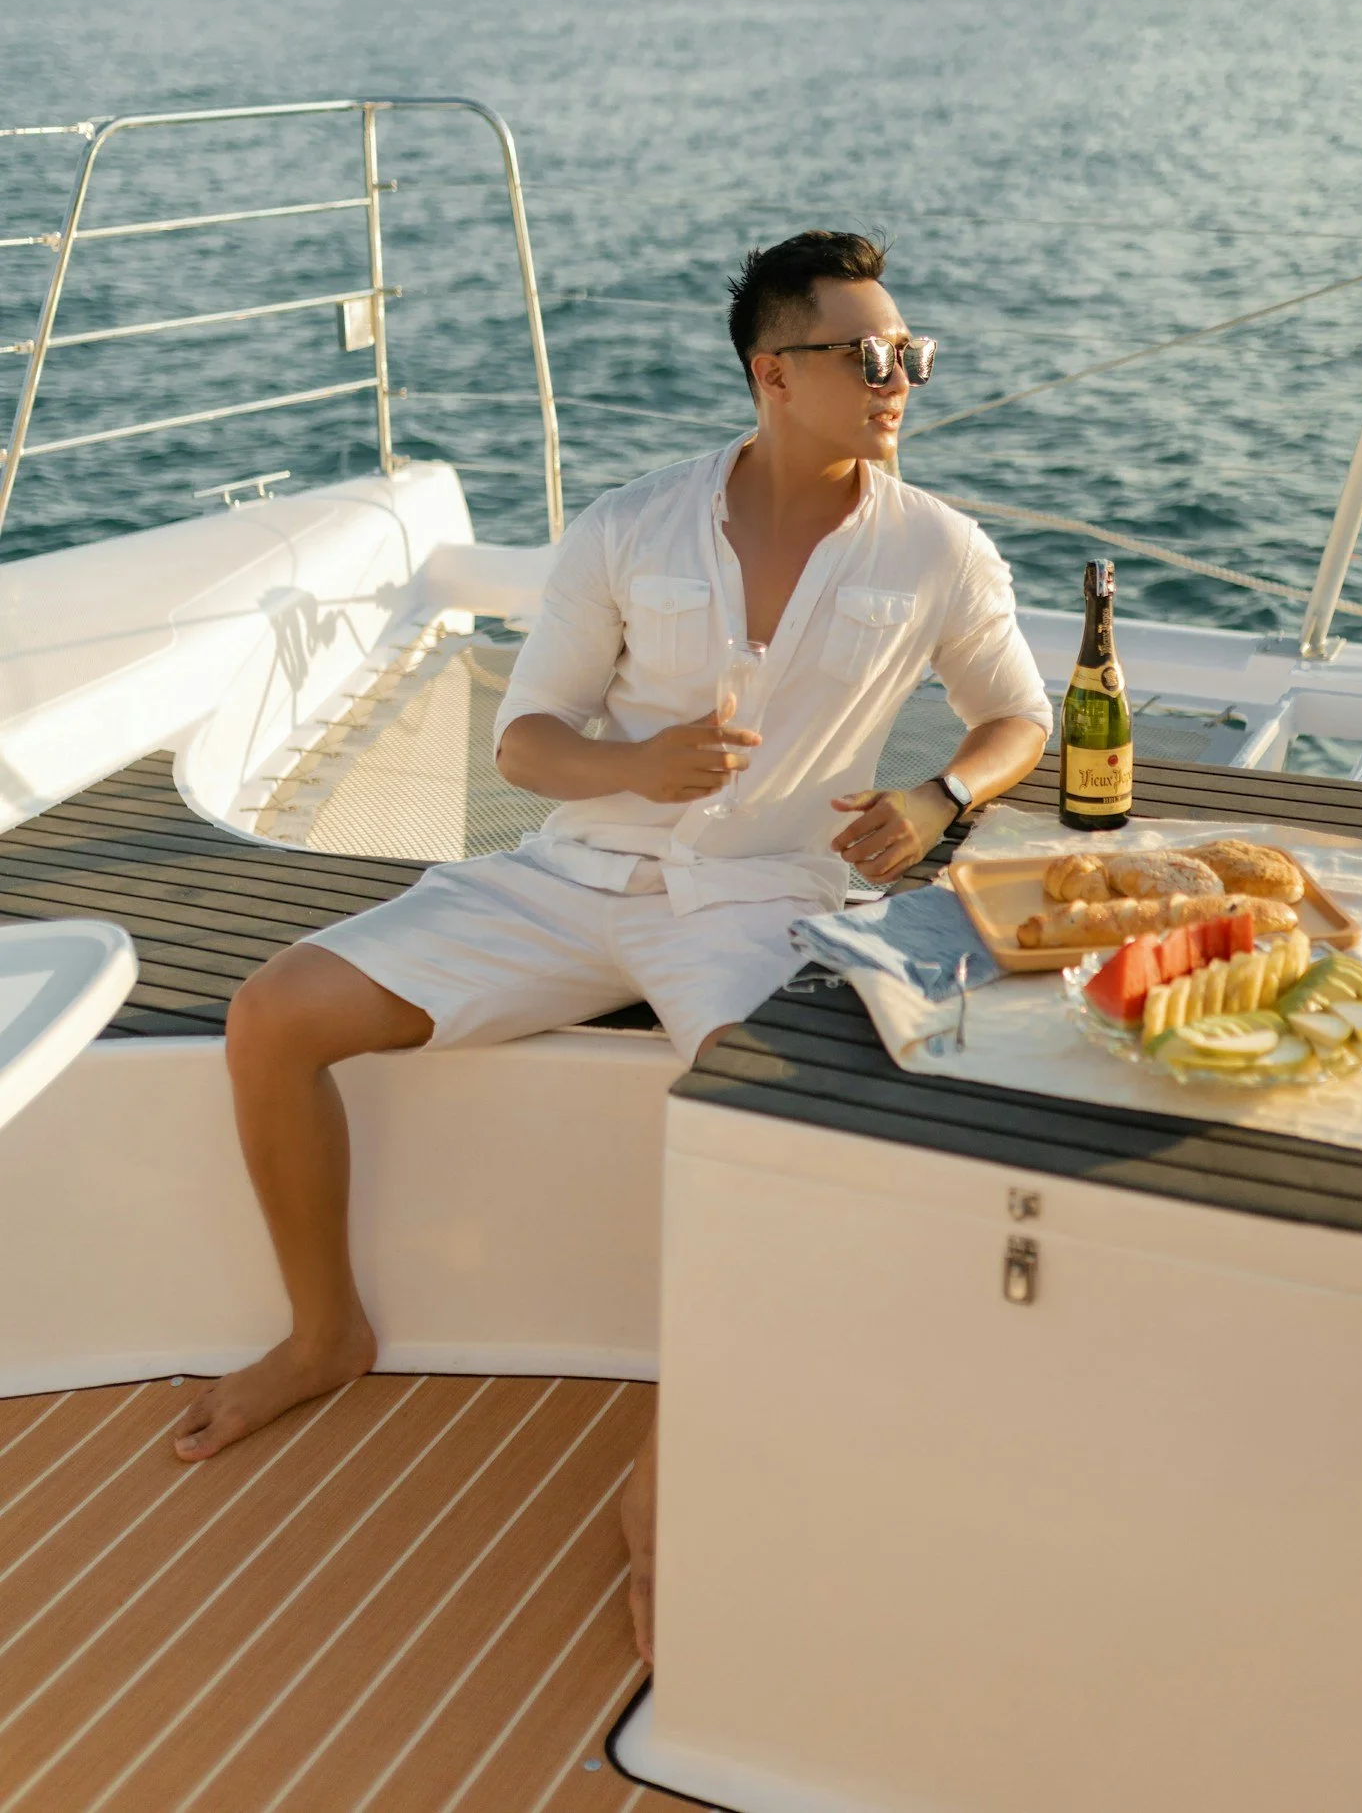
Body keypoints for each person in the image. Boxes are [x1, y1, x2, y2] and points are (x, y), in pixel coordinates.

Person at [172, 229, 1052, 1662]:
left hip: (764, 900)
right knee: (275, 1013)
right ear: (776, 374)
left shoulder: (936, 546)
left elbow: (1013, 716)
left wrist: (938, 793)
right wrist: (635, 770)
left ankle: (669, 1466)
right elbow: (526, 740)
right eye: (867, 355)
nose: (900, 378)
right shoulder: (628, 527)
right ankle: (324, 1331)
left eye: (912, 355)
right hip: (573, 875)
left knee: (764, 1143)